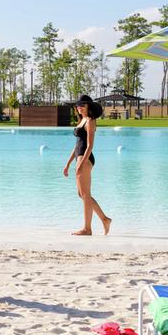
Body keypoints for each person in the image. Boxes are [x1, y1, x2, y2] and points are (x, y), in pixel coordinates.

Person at [62, 94, 112, 236]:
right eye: (78, 105)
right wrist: (68, 163)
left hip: (86, 158)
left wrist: (81, 163)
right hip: (80, 157)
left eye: (82, 105)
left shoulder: (90, 121)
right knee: (82, 194)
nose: (79, 107)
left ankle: (87, 229)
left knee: (85, 194)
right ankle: (104, 219)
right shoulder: (82, 120)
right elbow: (77, 145)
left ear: (88, 107)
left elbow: (89, 146)